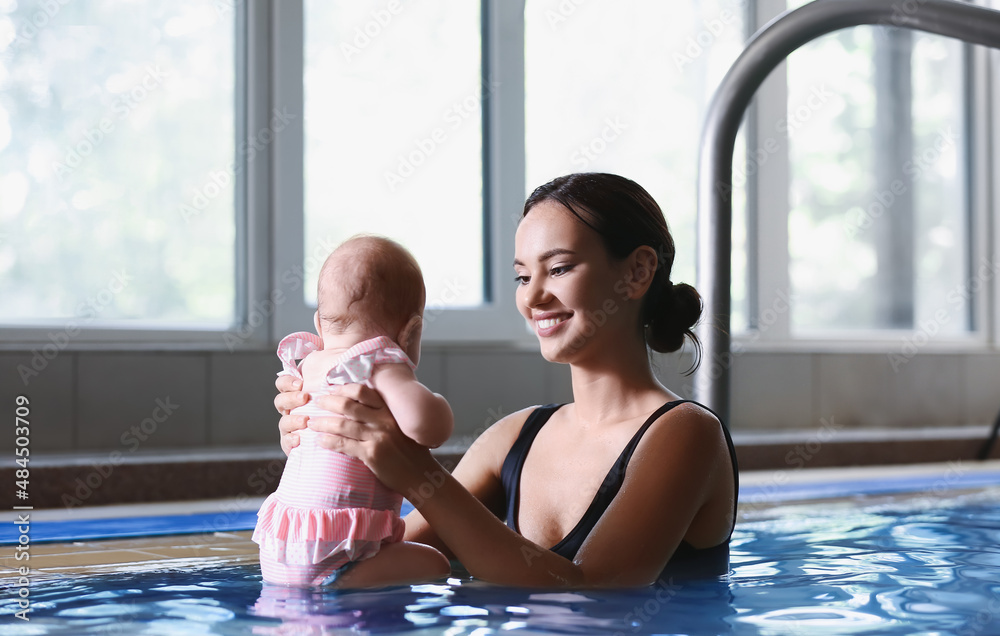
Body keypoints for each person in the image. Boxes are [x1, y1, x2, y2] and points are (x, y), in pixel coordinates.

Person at [275, 173, 738, 588]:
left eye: (558, 268)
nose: (533, 297)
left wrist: (418, 474)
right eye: (522, 277)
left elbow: (597, 591)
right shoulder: (514, 437)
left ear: (637, 271)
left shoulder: (686, 432)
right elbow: (356, 566)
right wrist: (327, 439)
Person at [254, 235, 454, 588]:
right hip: (340, 551)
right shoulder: (380, 358)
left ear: (319, 324)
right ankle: (338, 585)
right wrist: (437, 405)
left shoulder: (308, 365)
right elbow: (426, 427)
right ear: (411, 332)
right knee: (436, 563)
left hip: (279, 546)